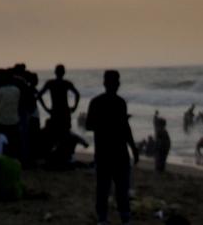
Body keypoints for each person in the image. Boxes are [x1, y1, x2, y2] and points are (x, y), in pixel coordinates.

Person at [86, 70, 138, 225]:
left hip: (103, 152)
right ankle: (124, 218)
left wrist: (104, 123)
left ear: (104, 83)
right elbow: (125, 128)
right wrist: (133, 148)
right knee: (121, 188)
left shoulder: (96, 102)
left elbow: (89, 125)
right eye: (117, 81)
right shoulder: (120, 102)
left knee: (103, 187)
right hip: (119, 152)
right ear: (116, 84)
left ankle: (103, 218)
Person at [38, 65, 81, 149]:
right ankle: (65, 152)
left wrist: (46, 108)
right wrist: (74, 107)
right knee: (65, 133)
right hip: (65, 111)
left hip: (55, 111)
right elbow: (77, 94)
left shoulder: (50, 83)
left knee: (55, 133)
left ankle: (56, 151)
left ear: (55, 72)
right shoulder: (66, 83)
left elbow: (39, 95)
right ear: (64, 72)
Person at [0, 69, 22, 159]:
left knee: (2, 144)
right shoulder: (16, 90)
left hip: (1, 121)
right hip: (14, 120)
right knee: (13, 144)